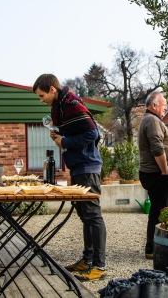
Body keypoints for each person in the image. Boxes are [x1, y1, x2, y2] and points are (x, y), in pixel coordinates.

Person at [33, 74, 107, 281]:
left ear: (52, 90)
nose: (41, 100)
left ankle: (99, 267)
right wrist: (58, 134)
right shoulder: (61, 105)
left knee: (93, 215)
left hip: (88, 166)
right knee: (84, 214)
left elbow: (92, 134)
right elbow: (75, 130)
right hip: (78, 166)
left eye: (41, 95)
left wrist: (64, 140)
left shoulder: (72, 104)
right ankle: (88, 259)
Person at [138, 91, 168, 259]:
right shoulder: (151, 120)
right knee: (159, 211)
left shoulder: (153, 120)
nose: (166, 107)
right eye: (164, 105)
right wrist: (165, 171)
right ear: (154, 105)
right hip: (158, 174)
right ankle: (152, 248)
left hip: (161, 174)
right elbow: (157, 147)